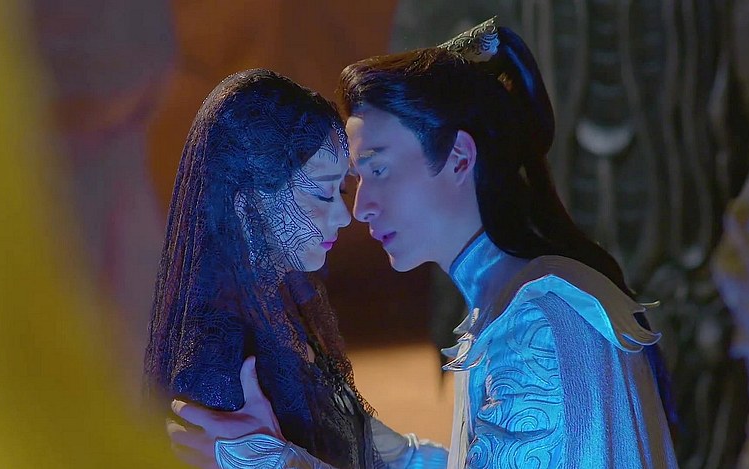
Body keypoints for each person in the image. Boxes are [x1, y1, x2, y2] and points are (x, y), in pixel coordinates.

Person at [169, 19, 680, 468]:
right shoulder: (518, 303)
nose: (361, 208)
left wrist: (269, 462)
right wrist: (362, 439)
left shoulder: (536, 324)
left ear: (459, 157)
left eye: (379, 170)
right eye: (354, 181)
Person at [144, 68, 447, 468]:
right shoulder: (218, 359)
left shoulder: (280, 315)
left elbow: (383, 452)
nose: (344, 216)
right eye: (322, 193)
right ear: (246, 201)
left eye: (341, 190)